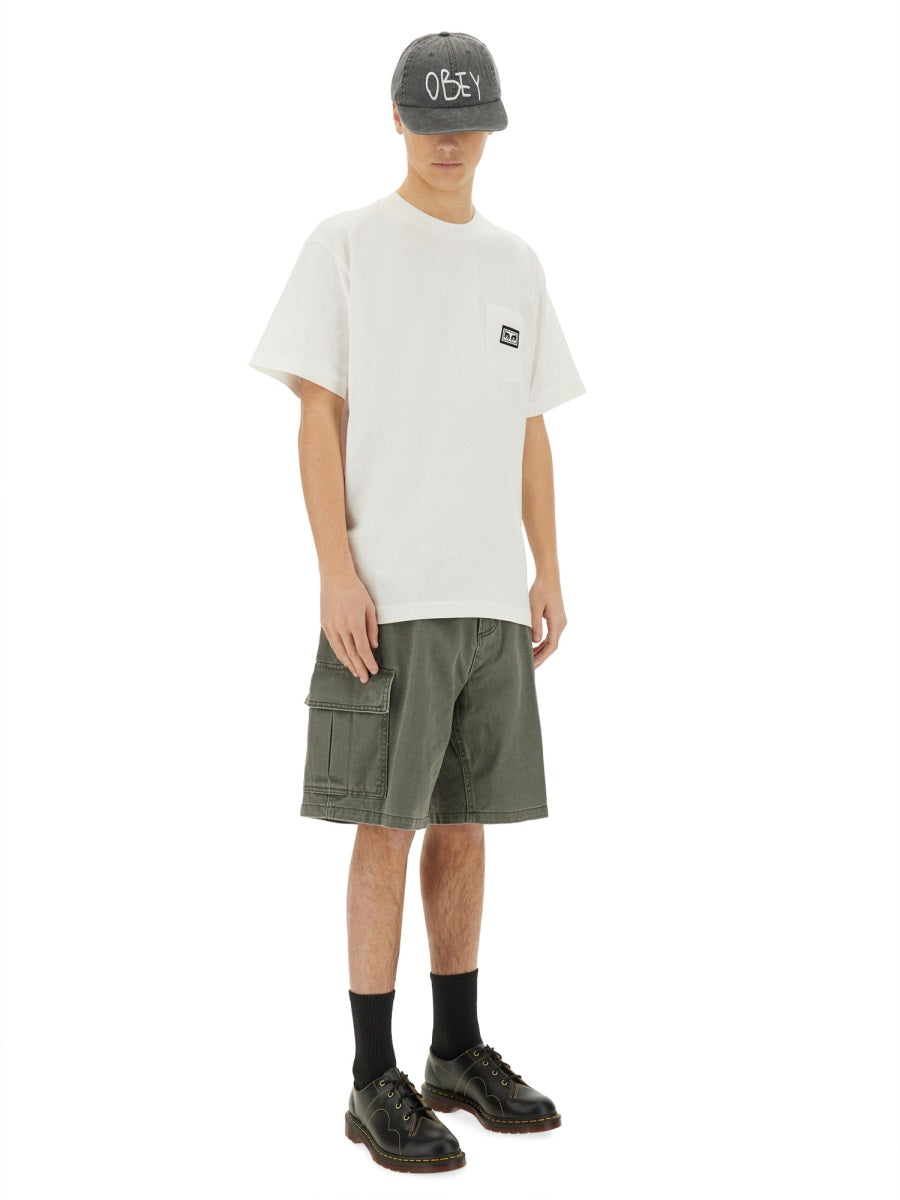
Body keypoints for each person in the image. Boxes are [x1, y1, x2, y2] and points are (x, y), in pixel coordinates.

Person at [248, 30, 586, 1175]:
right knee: (384, 826)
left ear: (491, 125)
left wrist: (547, 567)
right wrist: (335, 571)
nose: (451, 139)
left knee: (466, 821)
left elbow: (530, 427)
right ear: (396, 119)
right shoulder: (347, 244)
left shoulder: (516, 263)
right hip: (389, 596)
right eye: (432, 119)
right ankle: (369, 1077)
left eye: (468, 119)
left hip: (489, 597)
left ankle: (455, 1050)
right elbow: (318, 415)